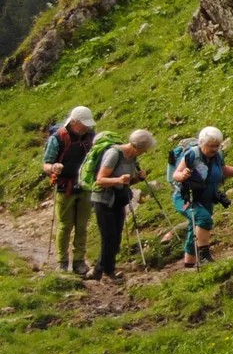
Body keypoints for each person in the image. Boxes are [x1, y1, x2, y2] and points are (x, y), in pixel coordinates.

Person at [172, 126, 233, 267]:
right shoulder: (192, 155)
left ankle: (189, 264)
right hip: (186, 198)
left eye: (217, 145)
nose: (214, 149)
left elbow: (223, 170)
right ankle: (204, 256)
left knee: (196, 227)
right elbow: (176, 174)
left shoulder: (217, 156)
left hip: (207, 198)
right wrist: (183, 175)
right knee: (203, 219)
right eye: (211, 146)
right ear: (202, 144)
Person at [88, 129, 155, 281]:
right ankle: (108, 271)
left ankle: (98, 270)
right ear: (138, 147)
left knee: (115, 237)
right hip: (103, 199)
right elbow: (100, 179)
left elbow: (128, 181)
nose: (145, 152)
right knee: (109, 237)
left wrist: (137, 178)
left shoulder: (132, 158)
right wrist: (118, 180)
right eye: (145, 149)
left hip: (118, 199)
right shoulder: (114, 154)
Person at [41, 106, 97, 274]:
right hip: (64, 187)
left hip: (85, 186)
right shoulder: (58, 138)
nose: (86, 127)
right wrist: (54, 167)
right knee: (65, 225)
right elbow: (46, 164)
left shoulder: (90, 136)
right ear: (73, 122)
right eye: (83, 124)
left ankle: (79, 261)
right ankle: (62, 262)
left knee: (82, 225)